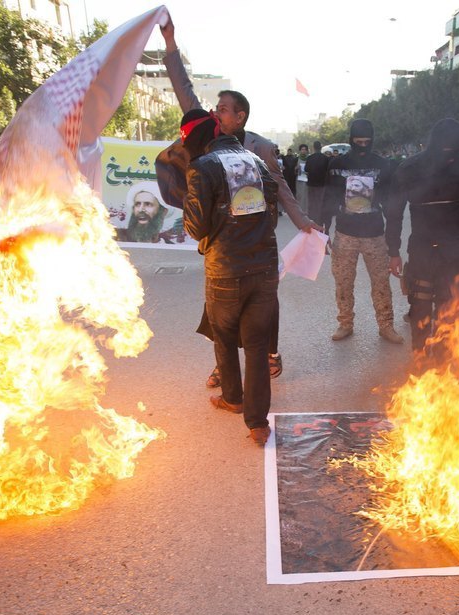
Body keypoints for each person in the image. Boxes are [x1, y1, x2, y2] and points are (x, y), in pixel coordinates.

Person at [161, 16, 323, 384]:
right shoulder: (203, 137)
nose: (215, 112)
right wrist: (171, 44)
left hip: (255, 245)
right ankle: (225, 364)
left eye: (222, 109)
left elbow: (281, 188)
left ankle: (269, 353)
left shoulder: (259, 148)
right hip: (219, 242)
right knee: (219, 306)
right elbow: (183, 89)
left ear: (240, 116)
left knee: (264, 303)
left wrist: (304, 223)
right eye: (215, 108)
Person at [181, 109, 280, 446]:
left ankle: (233, 398)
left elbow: (196, 227)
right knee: (256, 345)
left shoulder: (201, 168)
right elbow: (273, 216)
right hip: (265, 267)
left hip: (225, 269)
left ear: (192, 141)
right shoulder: (257, 161)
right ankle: (257, 423)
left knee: (223, 336)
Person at [384, 117, 459, 352]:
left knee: (450, 305)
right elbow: (393, 212)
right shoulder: (409, 168)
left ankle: (444, 358)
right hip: (422, 247)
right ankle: (420, 355)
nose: (446, 151)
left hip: (458, 249)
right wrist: (393, 251)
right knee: (420, 303)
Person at [321, 118, 402, 344]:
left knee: (381, 283)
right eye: (358, 142)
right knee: (343, 282)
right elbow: (328, 197)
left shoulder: (383, 165)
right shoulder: (337, 164)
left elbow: (392, 204)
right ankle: (345, 323)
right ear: (351, 140)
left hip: (375, 235)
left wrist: (394, 243)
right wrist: (323, 228)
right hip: (345, 234)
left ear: (372, 140)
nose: (363, 147)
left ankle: (386, 325)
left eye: (367, 142)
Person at [304, 140, 330, 228]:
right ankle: (319, 220)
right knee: (320, 202)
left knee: (311, 202)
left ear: (313, 147)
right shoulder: (326, 158)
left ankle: (311, 220)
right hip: (322, 184)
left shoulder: (309, 158)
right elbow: (328, 171)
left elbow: (306, 170)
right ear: (321, 147)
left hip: (311, 183)